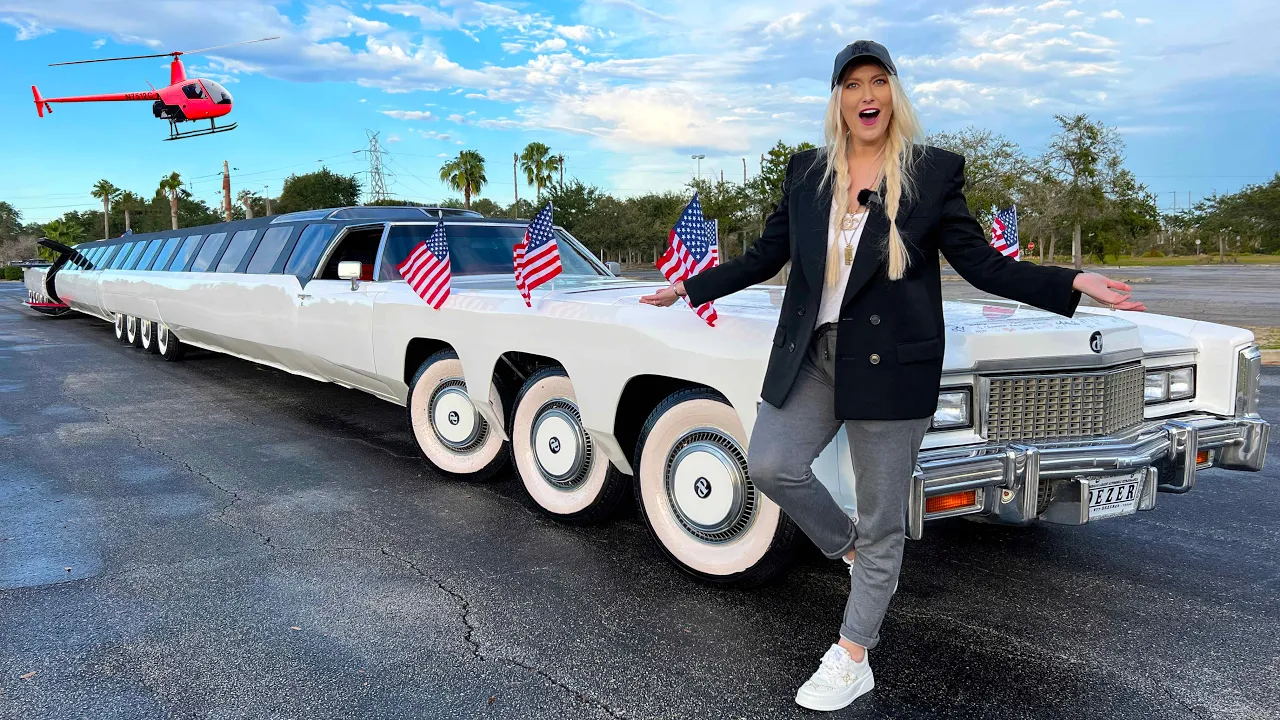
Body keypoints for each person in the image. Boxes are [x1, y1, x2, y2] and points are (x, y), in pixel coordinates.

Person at [640, 40, 1145, 712]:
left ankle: (853, 655)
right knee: (770, 464)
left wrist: (1072, 282)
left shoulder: (930, 172)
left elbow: (983, 264)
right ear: (838, 100)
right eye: (852, 85)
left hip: (890, 364)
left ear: (893, 94)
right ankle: (853, 552)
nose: (866, 95)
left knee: (883, 521)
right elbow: (766, 256)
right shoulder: (807, 172)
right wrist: (689, 287)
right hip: (814, 355)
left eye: (878, 82)